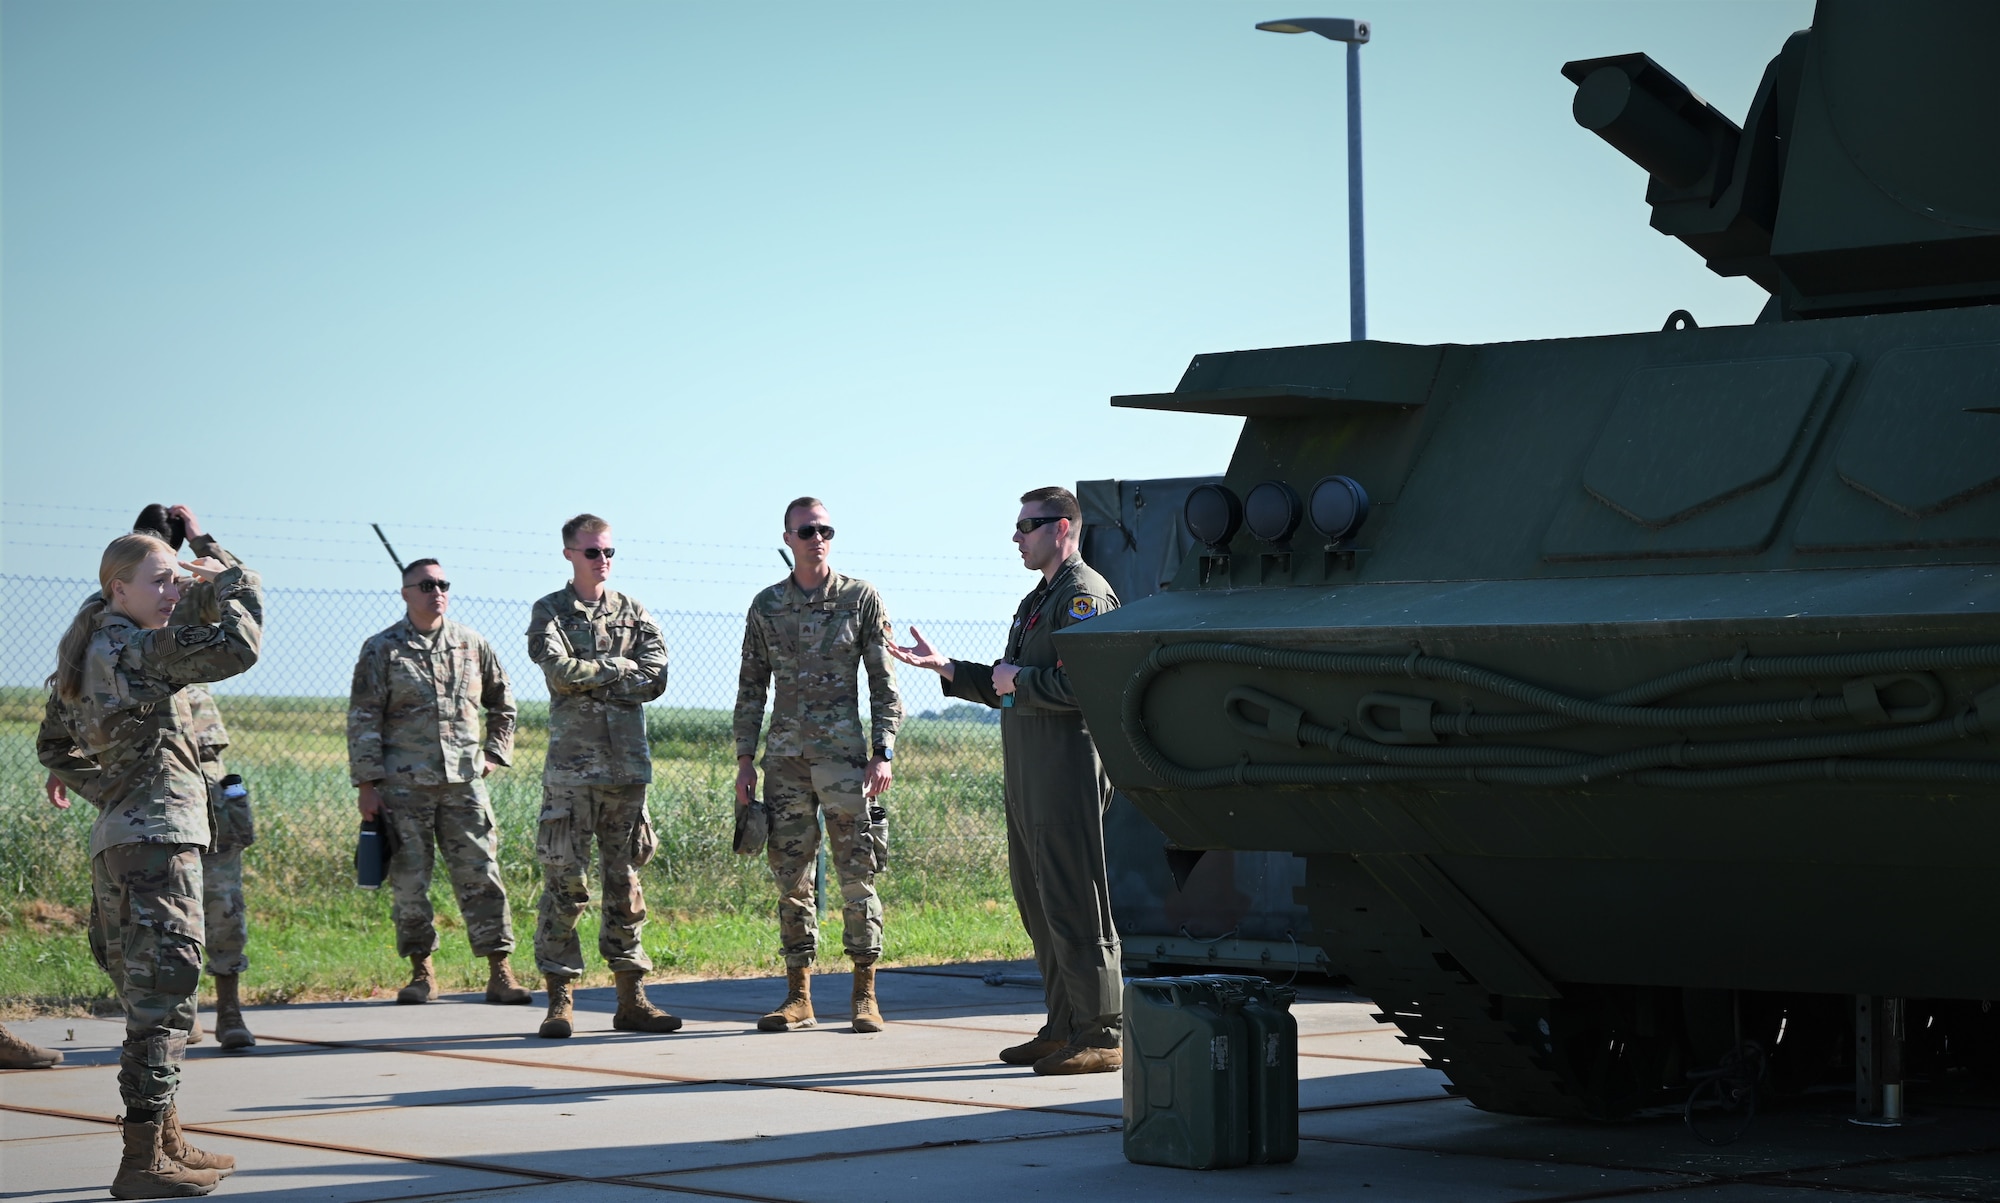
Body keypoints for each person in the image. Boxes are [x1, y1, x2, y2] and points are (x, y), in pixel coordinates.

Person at [38, 520, 261, 1196]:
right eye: (159, 580)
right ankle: (142, 1162)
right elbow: (240, 643)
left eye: (175, 578)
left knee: (155, 995)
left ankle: (166, 1138)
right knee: (163, 999)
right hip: (156, 845)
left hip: (133, 837)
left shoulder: (97, 645)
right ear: (118, 588)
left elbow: (53, 743)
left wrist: (117, 792)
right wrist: (228, 573)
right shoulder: (133, 648)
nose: (172, 590)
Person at [890, 486, 1124, 1075]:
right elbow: (1007, 685)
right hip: (1030, 773)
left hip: (1066, 772)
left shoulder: (1084, 598)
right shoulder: (1037, 602)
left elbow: (1086, 686)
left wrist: (1017, 680)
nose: (1017, 537)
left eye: (1029, 525)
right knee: (1039, 901)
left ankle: (1102, 1032)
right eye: (1018, 526)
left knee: (1076, 902)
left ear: (1064, 528)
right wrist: (947, 668)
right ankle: (1065, 1024)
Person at [733, 497, 902, 1034]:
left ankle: (864, 995)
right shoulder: (766, 606)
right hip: (784, 762)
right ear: (789, 538)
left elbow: (883, 681)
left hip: (846, 761)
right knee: (791, 880)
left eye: (826, 529)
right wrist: (744, 760)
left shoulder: (860, 599)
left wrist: (883, 750)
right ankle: (798, 996)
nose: (818, 537)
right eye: (807, 530)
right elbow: (750, 686)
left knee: (858, 875)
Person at [347, 557, 530, 1008]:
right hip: (402, 788)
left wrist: (493, 754)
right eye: (426, 584)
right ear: (406, 592)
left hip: (464, 784)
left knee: (482, 876)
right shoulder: (382, 649)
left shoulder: (471, 643)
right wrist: (367, 784)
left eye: (443, 583)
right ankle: (421, 973)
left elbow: (503, 703)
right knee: (411, 882)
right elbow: (363, 716)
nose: (437, 591)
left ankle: (500, 971)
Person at [525, 513, 680, 1039]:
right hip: (572, 772)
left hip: (626, 771)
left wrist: (599, 672)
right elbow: (560, 673)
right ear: (570, 554)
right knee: (566, 884)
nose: (603, 560)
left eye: (608, 551)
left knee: (625, 885)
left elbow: (657, 674)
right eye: (593, 552)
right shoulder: (550, 611)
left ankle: (631, 998)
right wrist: (619, 669)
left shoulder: (633, 611)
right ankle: (560, 1000)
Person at [134, 505, 258, 1051]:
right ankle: (181, 1011)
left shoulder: (186, 597)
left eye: (173, 550)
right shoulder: (115, 612)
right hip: (152, 772)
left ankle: (230, 1008)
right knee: (163, 905)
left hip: (206, 773)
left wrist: (204, 539)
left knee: (224, 898)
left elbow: (242, 586)